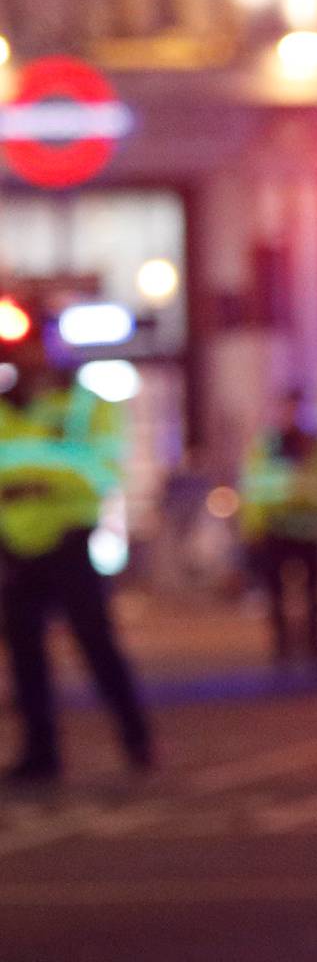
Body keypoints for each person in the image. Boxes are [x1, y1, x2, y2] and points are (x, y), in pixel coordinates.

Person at [0, 318, 153, 788]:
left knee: (96, 643)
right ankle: (40, 752)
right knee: (25, 656)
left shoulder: (83, 405)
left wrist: (38, 485)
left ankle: (136, 737)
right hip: (15, 546)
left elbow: (104, 469)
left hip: (68, 539)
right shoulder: (6, 411)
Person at [239, 391, 317, 664]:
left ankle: (313, 647)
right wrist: (253, 527)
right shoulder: (267, 446)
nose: (291, 414)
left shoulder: (314, 445)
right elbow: (253, 488)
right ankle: (282, 648)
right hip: (277, 529)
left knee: (312, 595)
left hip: (308, 529)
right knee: (277, 595)